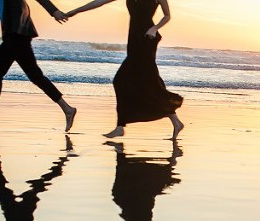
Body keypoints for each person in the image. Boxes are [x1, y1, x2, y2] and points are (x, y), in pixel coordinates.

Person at [67, 0, 184, 139]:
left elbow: (167, 16)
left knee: (123, 80)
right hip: (134, 38)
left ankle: (120, 127)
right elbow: (100, 2)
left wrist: (155, 28)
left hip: (148, 37)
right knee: (149, 80)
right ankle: (175, 122)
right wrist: (75, 11)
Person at [0, 0, 77, 131]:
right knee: (35, 76)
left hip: (17, 34)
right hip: (18, 33)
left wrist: (53, 11)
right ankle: (67, 109)